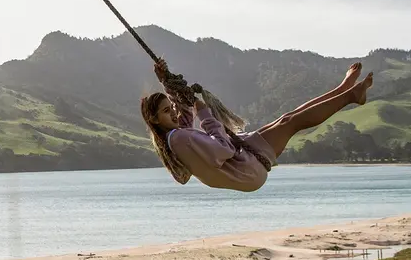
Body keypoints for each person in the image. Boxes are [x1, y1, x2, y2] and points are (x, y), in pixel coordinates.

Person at [142, 61, 373, 191]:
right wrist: (204, 114)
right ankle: (350, 96)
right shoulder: (178, 139)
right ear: (154, 120)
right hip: (246, 168)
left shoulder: (174, 136)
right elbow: (223, 149)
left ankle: (342, 90)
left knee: (287, 118)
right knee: (292, 123)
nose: (173, 112)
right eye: (166, 111)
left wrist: (166, 81)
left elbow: (182, 112)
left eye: (169, 108)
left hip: (242, 159)